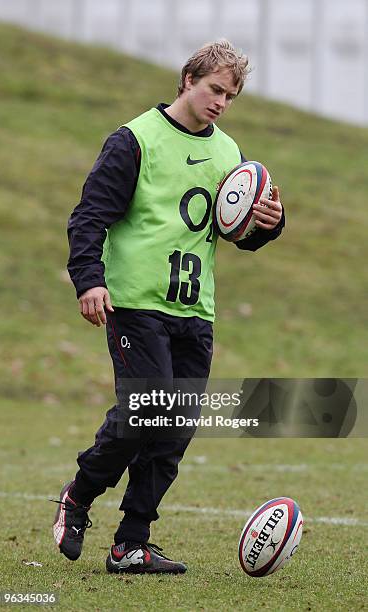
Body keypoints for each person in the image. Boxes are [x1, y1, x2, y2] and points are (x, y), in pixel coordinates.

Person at [52, 39, 285, 574]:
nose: (221, 102)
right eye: (214, 89)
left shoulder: (230, 153)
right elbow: (88, 217)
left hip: (194, 313)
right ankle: (79, 493)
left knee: (174, 431)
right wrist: (89, 280)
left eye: (230, 95)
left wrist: (269, 224)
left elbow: (236, 229)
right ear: (188, 80)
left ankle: (130, 544)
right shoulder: (135, 140)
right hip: (136, 304)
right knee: (143, 415)